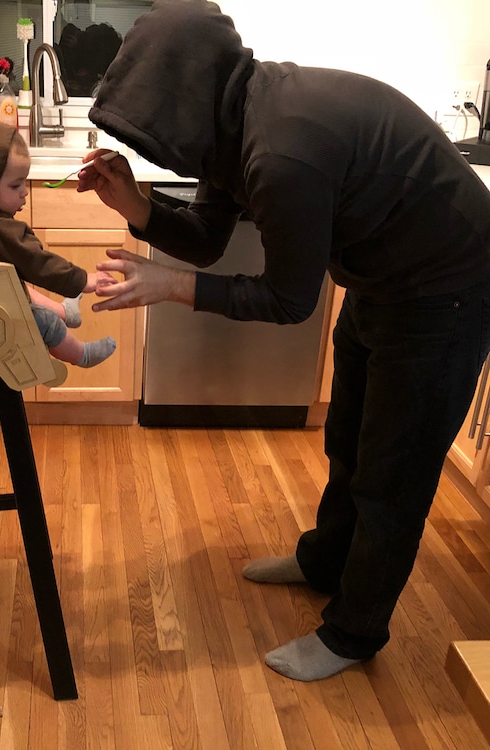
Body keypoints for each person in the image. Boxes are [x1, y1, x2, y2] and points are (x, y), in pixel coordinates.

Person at [77, 0, 490, 681]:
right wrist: (136, 208)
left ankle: (354, 635)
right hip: (385, 280)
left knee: (394, 477)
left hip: (447, 292)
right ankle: (324, 563)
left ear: (188, 95)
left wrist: (168, 285)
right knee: (349, 442)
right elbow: (210, 242)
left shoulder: (281, 151)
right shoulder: (235, 116)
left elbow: (288, 301)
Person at [0, 111, 117, 369]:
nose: (24, 192)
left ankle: (66, 312)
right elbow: (39, 263)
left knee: (17, 287)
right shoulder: (0, 229)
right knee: (40, 321)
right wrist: (84, 280)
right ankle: (80, 354)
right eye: (15, 186)